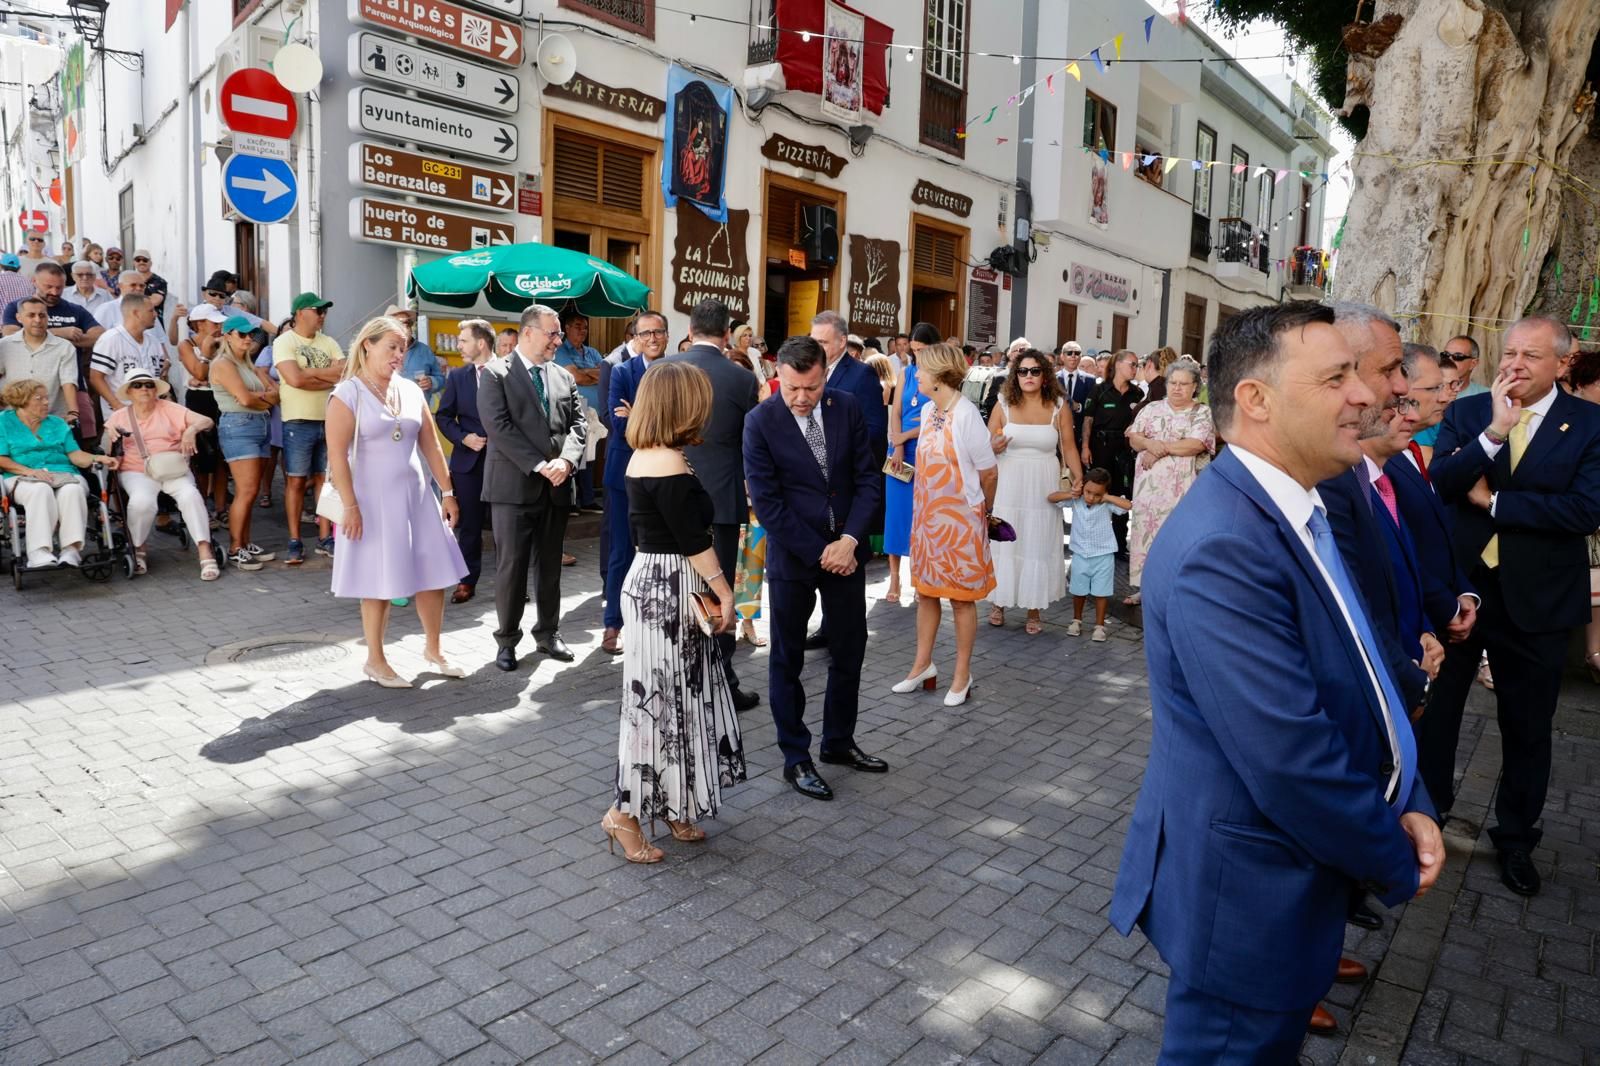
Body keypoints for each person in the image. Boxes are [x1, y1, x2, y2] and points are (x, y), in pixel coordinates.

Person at [1110, 301, 1443, 1062]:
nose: (1364, 394)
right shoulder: (1224, 546)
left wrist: (1411, 797)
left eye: (1359, 374)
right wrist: (1396, 857)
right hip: (1248, 900)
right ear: (1255, 400)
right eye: (1336, 377)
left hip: (1282, 882)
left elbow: (1360, 673)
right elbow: (1290, 756)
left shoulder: (1298, 507)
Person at [1420, 314, 1600, 897]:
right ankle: (1427, 818)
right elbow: (1443, 484)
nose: (1513, 363)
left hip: (1541, 600)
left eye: (1530, 355)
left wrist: (1496, 502)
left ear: (1561, 364)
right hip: (1463, 592)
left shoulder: (1591, 424)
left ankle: (1517, 837)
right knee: (1438, 714)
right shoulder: (1471, 413)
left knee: (1527, 727)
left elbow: (1584, 511)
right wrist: (1493, 435)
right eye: (1510, 351)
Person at [603, 360, 748, 863]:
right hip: (668, 588)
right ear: (681, 405)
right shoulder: (664, 460)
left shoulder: (653, 453)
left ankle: (669, 803)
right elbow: (691, 540)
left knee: (674, 704)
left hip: (659, 585)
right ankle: (623, 816)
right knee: (657, 707)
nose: (705, 410)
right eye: (699, 400)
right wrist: (724, 591)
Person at [745, 335, 886, 801]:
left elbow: (868, 478)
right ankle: (796, 757)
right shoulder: (759, 422)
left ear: (825, 375)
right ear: (778, 379)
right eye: (792, 390)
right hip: (794, 557)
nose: (802, 398)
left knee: (849, 651)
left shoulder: (845, 407)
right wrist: (822, 550)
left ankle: (838, 743)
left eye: (811, 387)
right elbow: (768, 504)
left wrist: (848, 542)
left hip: (846, 554)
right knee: (787, 659)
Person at [324, 316, 466, 685]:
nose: (399, 355)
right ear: (367, 345)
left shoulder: (409, 389)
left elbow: (432, 445)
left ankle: (433, 649)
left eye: (403, 347)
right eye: (392, 346)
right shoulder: (347, 394)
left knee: (433, 574)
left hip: (417, 495)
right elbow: (337, 456)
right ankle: (375, 659)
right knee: (378, 579)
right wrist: (351, 506)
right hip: (372, 501)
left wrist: (447, 492)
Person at [663, 299, 762, 712]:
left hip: (667, 495)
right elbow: (753, 441)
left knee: (674, 590)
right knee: (719, 591)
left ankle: (675, 676)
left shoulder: (662, 370)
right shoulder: (740, 379)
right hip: (721, 498)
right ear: (726, 334)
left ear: (690, 328)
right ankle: (721, 681)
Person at [480, 304, 588, 671]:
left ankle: (548, 633)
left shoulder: (563, 376)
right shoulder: (495, 374)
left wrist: (567, 461)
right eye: (552, 334)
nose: (558, 340)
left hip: (557, 486)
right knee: (511, 567)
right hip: (513, 488)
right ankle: (507, 640)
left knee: (550, 569)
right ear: (528, 333)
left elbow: (578, 425)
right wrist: (542, 465)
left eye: (558, 334)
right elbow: (499, 427)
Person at [894, 342, 998, 707]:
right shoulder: (926, 411)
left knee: (961, 600)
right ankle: (922, 666)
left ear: (938, 375)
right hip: (927, 518)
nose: (916, 375)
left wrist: (984, 513)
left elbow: (988, 472)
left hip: (961, 521)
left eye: (920, 369)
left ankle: (962, 674)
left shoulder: (968, 415)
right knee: (926, 593)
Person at [805, 311, 890, 650]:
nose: (817, 347)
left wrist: (834, 444)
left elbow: (874, 432)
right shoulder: (808, 370)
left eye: (823, 342)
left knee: (847, 565)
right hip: (812, 487)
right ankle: (827, 627)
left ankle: (846, 634)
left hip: (845, 487)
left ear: (842, 342)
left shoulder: (862, 376)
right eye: (814, 341)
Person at [1385, 344, 1480, 649]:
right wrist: (1446, 608)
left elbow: (1438, 535)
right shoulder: (1381, 461)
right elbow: (1398, 551)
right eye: (1435, 387)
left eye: (1447, 386)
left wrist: (1462, 592)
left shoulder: (1411, 452)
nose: (1445, 396)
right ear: (1401, 387)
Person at [987, 348, 1082, 633]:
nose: (1028, 376)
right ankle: (998, 603)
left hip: (1043, 482)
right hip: (1009, 481)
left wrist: (1080, 478)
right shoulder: (1002, 403)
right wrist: (993, 445)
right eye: (1022, 371)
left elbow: (1068, 446)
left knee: (1037, 542)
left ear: (1045, 376)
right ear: (1015, 376)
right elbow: (985, 442)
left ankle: (1033, 609)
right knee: (1005, 539)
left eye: (1035, 371)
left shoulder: (1058, 406)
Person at [101, 370, 219, 580]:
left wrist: (191, 430)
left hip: (173, 468)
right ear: (129, 391)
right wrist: (110, 438)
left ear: (156, 389)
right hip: (137, 471)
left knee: (190, 496)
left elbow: (207, 421)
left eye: (149, 385)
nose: (144, 389)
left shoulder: (170, 409)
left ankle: (204, 549)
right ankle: (138, 548)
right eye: (138, 386)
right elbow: (106, 451)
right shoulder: (119, 416)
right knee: (141, 502)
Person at [601, 310, 669, 655]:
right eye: (645, 334)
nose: (652, 339)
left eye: (658, 332)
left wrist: (638, 415)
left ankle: (659, 623)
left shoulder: (678, 373)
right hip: (624, 474)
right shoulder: (622, 372)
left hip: (668, 474)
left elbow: (685, 423)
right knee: (622, 551)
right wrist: (660, 429)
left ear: (667, 336)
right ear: (635, 338)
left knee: (665, 552)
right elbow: (617, 423)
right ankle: (613, 623)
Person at [1124, 358, 1215, 605]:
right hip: (1148, 491)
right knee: (1147, 536)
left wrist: (1157, 447)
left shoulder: (1202, 412)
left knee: (1178, 539)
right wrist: (1147, 444)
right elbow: (1134, 438)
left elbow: (1195, 444)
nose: (1177, 388)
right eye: (1173, 383)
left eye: (1184, 384)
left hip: (1183, 491)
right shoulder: (1151, 409)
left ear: (1195, 386)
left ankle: (1176, 589)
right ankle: (1146, 589)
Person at [0, 377, 117, 567]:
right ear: (22, 400)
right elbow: (2, 459)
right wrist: (30, 471)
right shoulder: (3, 422)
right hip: (20, 476)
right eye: (39, 398)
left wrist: (97, 458)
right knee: (40, 490)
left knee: (73, 490)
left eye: (46, 398)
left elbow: (75, 455)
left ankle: (70, 550)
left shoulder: (57, 423)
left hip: (63, 472)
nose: (47, 402)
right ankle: (39, 552)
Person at [272, 292, 342, 565]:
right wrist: (322, 377)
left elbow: (343, 372)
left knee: (325, 481)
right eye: (318, 311)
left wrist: (309, 373)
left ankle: (325, 537)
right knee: (296, 480)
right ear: (300, 313)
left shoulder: (329, 341)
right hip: (298, 419)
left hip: (329, 418)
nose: (322, 316)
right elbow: (294, 379)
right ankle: (295, 539)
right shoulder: (284, 341)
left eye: (324, 312)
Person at [210, 316, 279, 571]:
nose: (249, 338)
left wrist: (260, 397)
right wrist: (264, 398)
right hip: (239, 426)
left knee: (249, 492)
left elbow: (274, 394)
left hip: (258, 424)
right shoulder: (223, 363)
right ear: (227, 336)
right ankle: (236, 547)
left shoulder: (246, 363)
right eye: (242, 334)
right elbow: (245, 399)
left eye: (251, 334)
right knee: (247, 490)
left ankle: (245, 542)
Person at [435, 319, 495, 605]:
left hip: (504, 463)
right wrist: (464, 437)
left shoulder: (510, 372)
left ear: (480, 343)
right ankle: (467, 581)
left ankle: (513, 584)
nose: (458, 345)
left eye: (463, 341)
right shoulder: (458, 377)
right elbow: (443, 416)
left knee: (508, 528)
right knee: (469, 526)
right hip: (468, 463)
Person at [884, 322, 939, 604]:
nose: (916, 355)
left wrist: (906, 435)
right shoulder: (906, 371)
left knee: (922, 515)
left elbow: (936, 417)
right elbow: (895, 409)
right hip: (899, 449)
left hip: (927, 448)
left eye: (921, 349)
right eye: (913, 350)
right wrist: (897, 441)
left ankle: (921, 577)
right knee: (896, 514)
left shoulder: (942, 375)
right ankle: (894, 576)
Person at [1051, 467, 1129, 641]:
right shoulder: (1076, 501)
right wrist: (1073, 493)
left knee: (1101, 592)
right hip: (1080, 554)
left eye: (1097, 494)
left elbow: (1128, 506)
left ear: (1104, 493)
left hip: (1104, 555)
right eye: (1088, 492)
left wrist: (1107, 497)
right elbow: (1052, 498)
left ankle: (1099, 626)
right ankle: (1076, 620)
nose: (1091, 497)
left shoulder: (1107, 502)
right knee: (1078, 590)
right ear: (1083, 487)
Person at [1080, 350, 1141, 552]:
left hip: (1124, 451)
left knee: (1121, 495)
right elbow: (1088, 420)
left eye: (1137, 365)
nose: (1135, 368)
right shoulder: (1100, 390)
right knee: (1097, 492)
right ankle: (1091, 541)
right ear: (1118, 365)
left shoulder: (1137, 394)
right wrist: (1085, 447)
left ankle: (1119, 545)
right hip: (1100, 447)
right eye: (1132, 364)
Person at [176, 304, 229, 522]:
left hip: (220, 398)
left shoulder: (224, 342)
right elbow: (198, 371)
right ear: (200, 324)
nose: (219, 326)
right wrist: (206, 355)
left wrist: (204, 375)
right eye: (214, 322)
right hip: (199, 401)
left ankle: (221, 507)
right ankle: (202, 508)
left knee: (222, 456)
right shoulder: (186, 344)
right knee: (201, 456)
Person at [553, 309, 606, 514]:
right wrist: (589, 374)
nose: (582, 331)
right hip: (572, 409)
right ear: (566, 328)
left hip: (594, 412)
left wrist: (585, 373)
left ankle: (588, 499)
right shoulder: (561, 351)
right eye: (577, 326)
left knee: (590, 455)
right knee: (573, 453)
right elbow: (575, 377)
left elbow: (605, 375)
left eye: (585, 327)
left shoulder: (591, 352)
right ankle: (572, 501)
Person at [88, 293, 170, 419]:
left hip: (152, 413)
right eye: (151, 310)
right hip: (122, 416)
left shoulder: (154, 342)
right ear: (136, 313)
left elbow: (158, 377)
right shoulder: (110, 339)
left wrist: (166, 397)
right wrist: (117, 405)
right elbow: (96, 377)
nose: (155, 314)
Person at [0, 296, 79, 425]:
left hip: (52, 418)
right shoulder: (4, 345)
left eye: (42, 315)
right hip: (12, 420)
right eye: (31, 315)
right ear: (19, 318)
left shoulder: (64, 347)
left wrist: (73, 412)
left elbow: (68, 381)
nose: (37, 320)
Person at [383, 305, 445, 406]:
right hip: (388, 413)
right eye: (399, 324)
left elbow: (441, 379)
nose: (405, 327)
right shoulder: (381, 351)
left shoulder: (424, 350)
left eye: (407, 323)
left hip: (419, 415)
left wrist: (431, 381)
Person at [129, 250, 168, 322]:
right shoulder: (130, 280)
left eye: (145, 260)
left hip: (154, 324)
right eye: (138, 260)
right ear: (134, 263)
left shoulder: (160, 281)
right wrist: (147, 297)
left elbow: (155, 301)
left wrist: (133, 298)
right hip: (134, 322)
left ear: (150, 263)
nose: (141, 262)